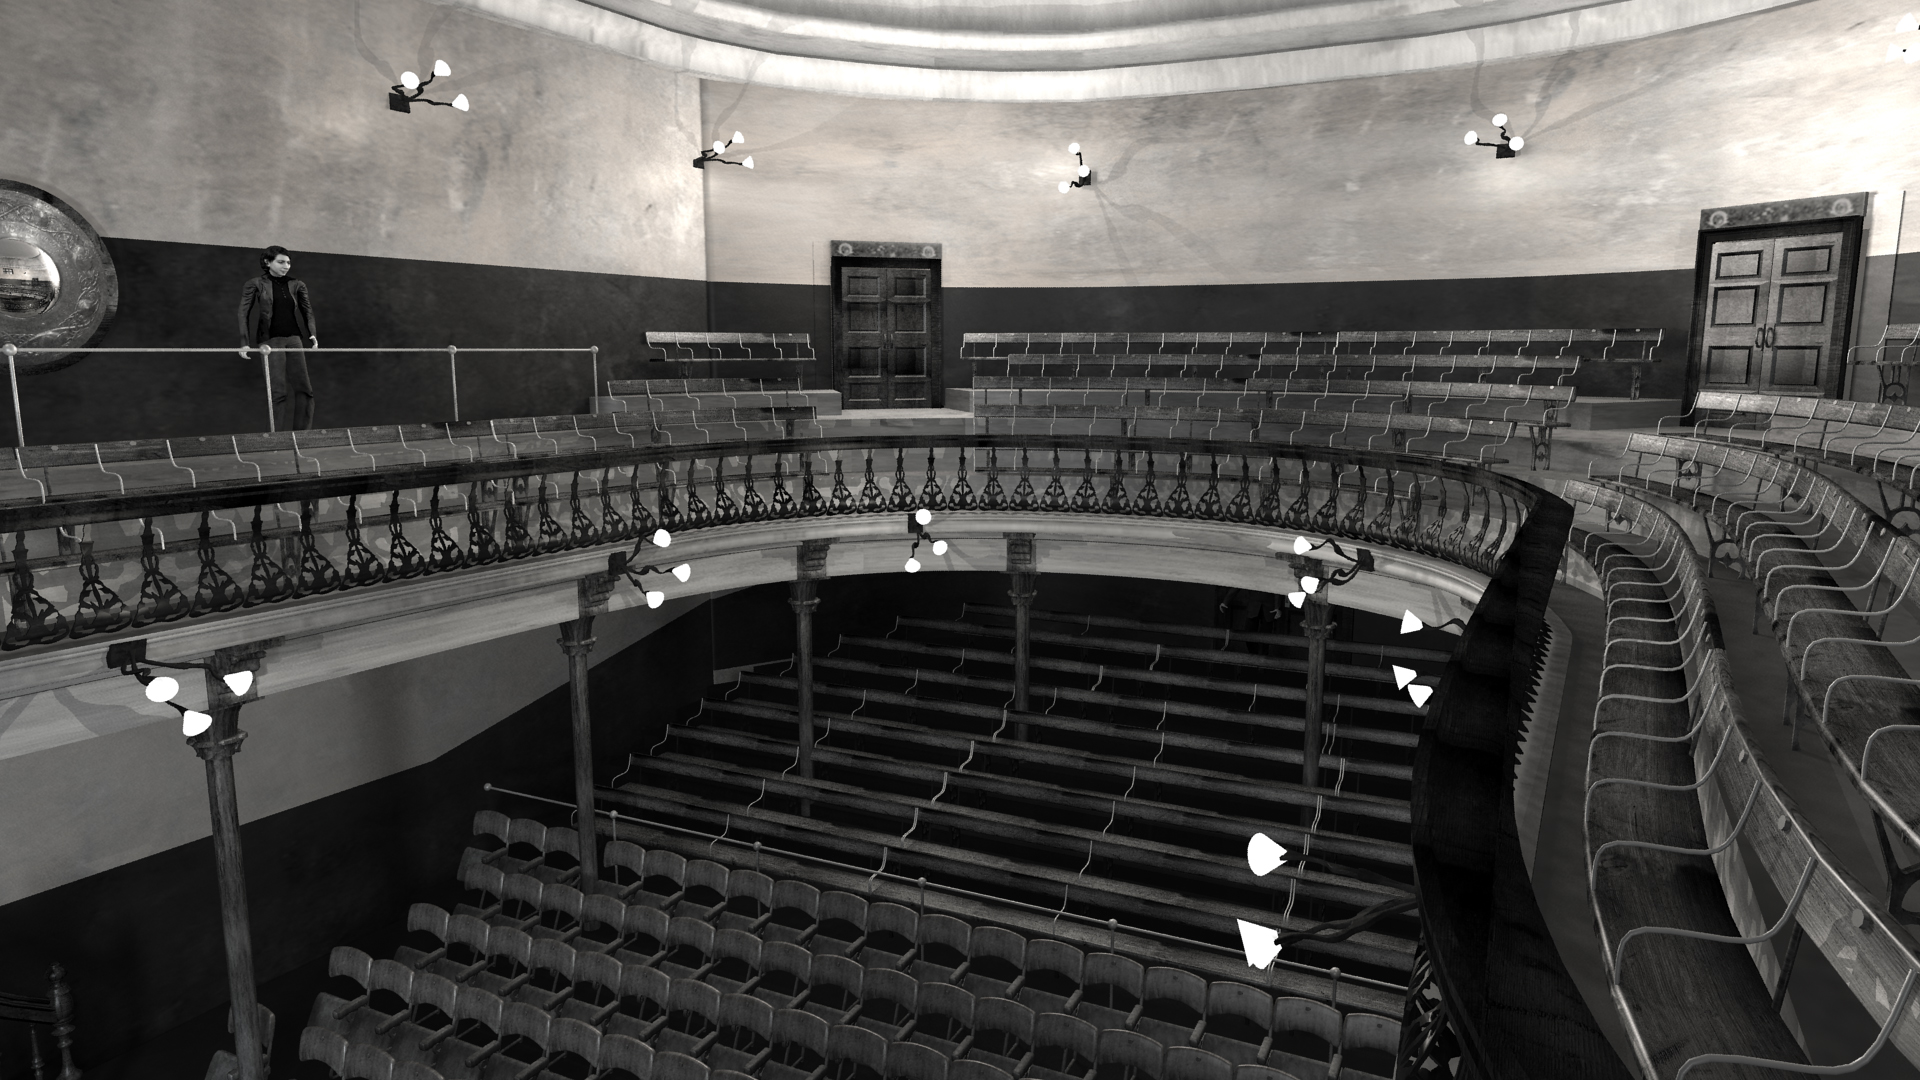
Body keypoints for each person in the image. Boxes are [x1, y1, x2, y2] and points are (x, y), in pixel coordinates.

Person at [237, 246, 318, 431]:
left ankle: (303, 435)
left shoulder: (297, 284)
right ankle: (277, 438)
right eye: (281, 262)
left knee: (305, 389)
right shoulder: (255, 283)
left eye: (288, 262)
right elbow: (243, 313)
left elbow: (308, 311)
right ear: (267, 262)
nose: (286, 266)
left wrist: (312, 333)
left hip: (294, 339)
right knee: (278, 391)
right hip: (271, 340)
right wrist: (244, 342)